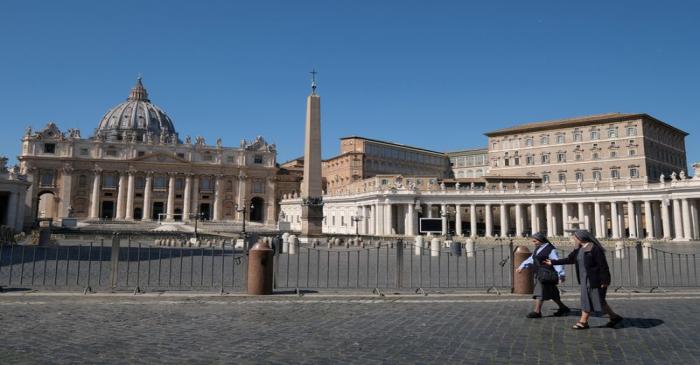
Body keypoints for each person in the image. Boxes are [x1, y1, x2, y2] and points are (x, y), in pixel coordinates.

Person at [544, 229, 624, 329]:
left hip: (594, 279)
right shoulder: (578, 249)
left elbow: (603, 266)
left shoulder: (594, 249)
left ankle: (583, 321)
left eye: (575, 237)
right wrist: (553, 262)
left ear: (580, 238)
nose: (573, 239)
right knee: (599, 300)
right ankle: (614, 317)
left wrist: (605, 280)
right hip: (584, 278)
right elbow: (570, 259)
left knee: (587, 299)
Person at [516, 232, 570, 318]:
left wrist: (561, 275)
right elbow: (532, 258)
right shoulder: (538, 248)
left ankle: (537, 311)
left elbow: (556, 262)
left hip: (547, 274)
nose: (534, 243)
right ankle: (563, 307)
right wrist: (522, 266)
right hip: (541, 273)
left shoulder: (551, 249)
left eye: (535, 241)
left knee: (539, 291)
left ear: (541, 240)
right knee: (552, 292)